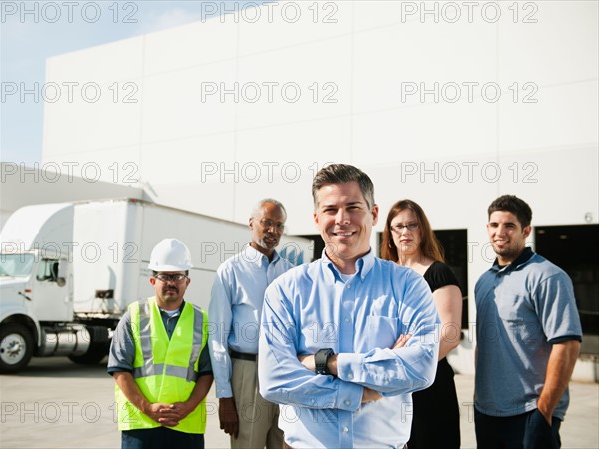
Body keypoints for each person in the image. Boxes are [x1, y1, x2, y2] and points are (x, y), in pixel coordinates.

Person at [258, 164, 440, 449]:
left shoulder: (408, 287)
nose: (342, 219)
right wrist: (363, 388)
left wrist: (328, 362)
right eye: (330, 210)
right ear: (317, 219)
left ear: (374, 214)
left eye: (353, 207)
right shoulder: (285, 291)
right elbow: (275, 380)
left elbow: (420, 369)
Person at [474, 195, 582, 449]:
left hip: (531, 412)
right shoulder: (484, 282)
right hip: (487, 414)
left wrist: (543, 411)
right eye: (493, 225)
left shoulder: (548, 276)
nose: (500, 232)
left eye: (509, 226)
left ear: (526, 231)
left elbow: (567, 345)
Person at [108, 238, 213, 449]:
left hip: (185, 424)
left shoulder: (202, 320)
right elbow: (120, 370)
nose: (172, 282)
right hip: (141, 424)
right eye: (164, 276)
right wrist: (147, 408)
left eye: (178, 276)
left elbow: (207, 372)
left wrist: (187, 408)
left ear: (187, 281)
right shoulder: (133, 316)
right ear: (153, 280)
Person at [208, 199, 293, 449]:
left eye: (279, 225)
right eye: (267, 223)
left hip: (285, 373)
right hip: (248, 374)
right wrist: (225, 396)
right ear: (251, 223)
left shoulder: (290, 273)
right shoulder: (230, 271)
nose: (273, 231)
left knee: (287, 444)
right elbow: (217, 339)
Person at [380, 199, 462, 449]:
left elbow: (449, 335)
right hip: (389, 387)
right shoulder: (383, 275)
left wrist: (407, 368)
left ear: (422, 230)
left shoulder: (437, 273)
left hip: (428, 386)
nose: (405, 232)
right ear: (389, 233)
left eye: (412, 225)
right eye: (398, 227)